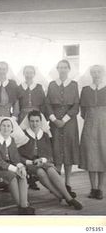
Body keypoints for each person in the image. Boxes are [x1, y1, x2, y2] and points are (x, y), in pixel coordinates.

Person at [19, 110, 83, 210]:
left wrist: (43, 159)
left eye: (37, 121)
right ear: (28, 121)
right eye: (32, 121)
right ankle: (59, 195)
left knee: (51, 170)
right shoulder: (23, 135)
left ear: (41, 121)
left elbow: (49, 153)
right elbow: (18, 155)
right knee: (40, 172)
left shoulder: (44, 135)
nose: (34, 124)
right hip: (29, 163)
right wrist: (30, 162)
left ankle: (68, 197)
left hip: (43, 161)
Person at [0, 117, 35, 215]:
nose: (6, 128)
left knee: (22, 174)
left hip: (8, 169)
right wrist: (15, 169)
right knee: (12, 176)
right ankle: (21, 207)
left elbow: (15, 159)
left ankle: (24, 206)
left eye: (8, 126)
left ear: (12, 129)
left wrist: (21, 167)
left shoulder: (12, 140)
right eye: (3, 126)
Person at [46, 59, 80, 198]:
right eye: (60, 67)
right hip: (55, 122)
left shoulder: (73, 84)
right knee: (56, 150)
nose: (62, 69)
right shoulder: (52, 84)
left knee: (68, 150)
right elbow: (47, 104)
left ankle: (67, 183)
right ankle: (57, 183)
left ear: (69, 69)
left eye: (65, 67)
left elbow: (76, 105)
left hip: (69, 123)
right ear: (57, 69)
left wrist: (64, 119)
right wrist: (54, 119)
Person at [17, 65, 47, 190]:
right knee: (25, 144)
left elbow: (43, 105)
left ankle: (34, 178)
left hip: (36, 117)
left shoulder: (39, 87)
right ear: (23, 73)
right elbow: (16, 105)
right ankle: (27, 177)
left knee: (36, 143)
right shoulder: (19, 87)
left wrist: (43, 120)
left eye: (31, 72)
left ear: (34, 74)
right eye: (26, 72)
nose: (28, 74)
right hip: (23, 116)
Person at [79, 65, 106, 200]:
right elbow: (83, 112)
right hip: (89, 124)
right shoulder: (85, 90)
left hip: (104, 126)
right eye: (93, 72)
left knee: (102, 154)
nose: (96, 74)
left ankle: (101, 188)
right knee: (91, 155)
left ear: (103, 73)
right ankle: (93, 188)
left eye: (98, 72)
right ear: (90, 74)